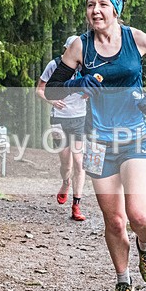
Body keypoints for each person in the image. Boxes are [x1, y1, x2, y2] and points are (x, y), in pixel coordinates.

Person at [45, 0, 146, 291]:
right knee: (115, 222)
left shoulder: (136, 40)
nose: (95, 11)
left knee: (137, 215)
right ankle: (123, 282)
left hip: (133, 135)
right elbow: (51, 90)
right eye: (91, 5)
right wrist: (78, 81)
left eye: (102, 5)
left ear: (115, 10)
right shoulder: (80, 47)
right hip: (96, 140)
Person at [36, 35, 87, 221]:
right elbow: (39, 90)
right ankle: (65, 182)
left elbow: (98, 85)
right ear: (66, 49)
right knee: (66, 163)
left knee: (79, 162)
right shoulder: (54, 65)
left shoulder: (86, 67)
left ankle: (76, 205)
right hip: (59, 119)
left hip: (80, 118)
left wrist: (91, 93)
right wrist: (51, 100)